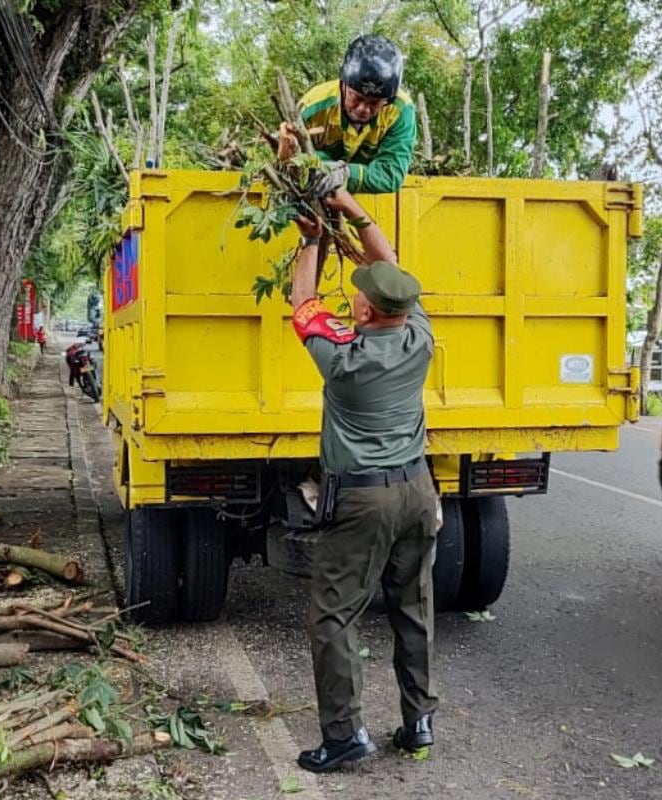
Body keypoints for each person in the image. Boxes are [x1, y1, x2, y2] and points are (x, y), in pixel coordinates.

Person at [288, 191, 438, 773]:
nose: (351, 295)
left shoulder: (343, 360)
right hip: (418, 493)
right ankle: (419, 721)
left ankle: (345, 734)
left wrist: (308, 239)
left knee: (333, 616)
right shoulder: (418, 338)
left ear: (368, 313)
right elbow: (392, 265)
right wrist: (349, 206)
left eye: (358, 294)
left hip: (363, 501)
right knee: (413, 606)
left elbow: (302, 300)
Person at [299, 34, 416, 199]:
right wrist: (322, 165)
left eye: (374, 103)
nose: (363, 109)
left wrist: (345, 174)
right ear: (343, 84)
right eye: (357, 98)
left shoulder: (400, 111)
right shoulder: (312, 107)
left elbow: (390, 174)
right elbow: (294, 158)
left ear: (388, 100)